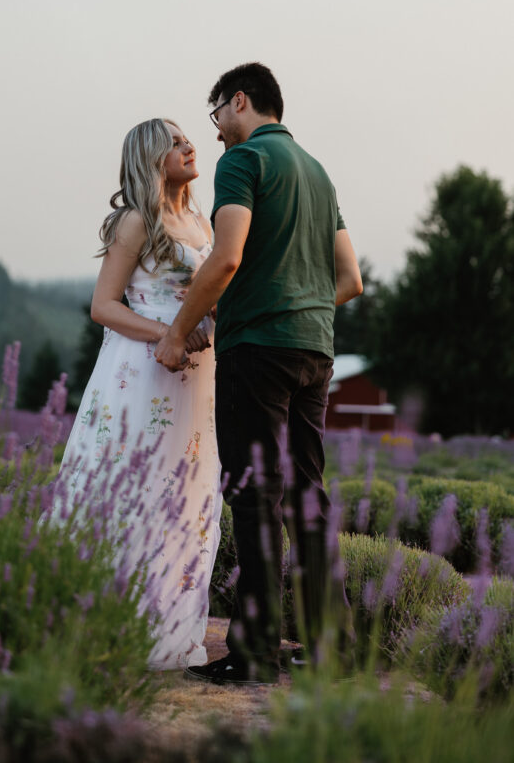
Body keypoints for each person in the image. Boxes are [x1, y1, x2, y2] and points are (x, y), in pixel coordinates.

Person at [156, 63, 363, 685]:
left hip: (257, 351)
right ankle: (333, 648)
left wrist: (174, 333)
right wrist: (300, 308)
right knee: (308, 496)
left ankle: (252, 655)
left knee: (254, 497)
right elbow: (349, 280)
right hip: (315, 351)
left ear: (239, 102)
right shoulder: (319, 173)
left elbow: (226, 257)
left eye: (217, 112)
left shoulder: (244, 162)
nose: (215, 129)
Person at [49, 118, 222, 670]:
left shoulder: (200, 220)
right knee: (130, 491)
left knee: (187, 496)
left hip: (199, 377)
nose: (189, 145)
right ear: (151, 158)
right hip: (140, 374)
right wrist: (169, 335)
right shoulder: (135, 221)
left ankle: (169, 626)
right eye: (174, 142)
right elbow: (104, 306)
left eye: (187, 137)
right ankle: (104, 623)